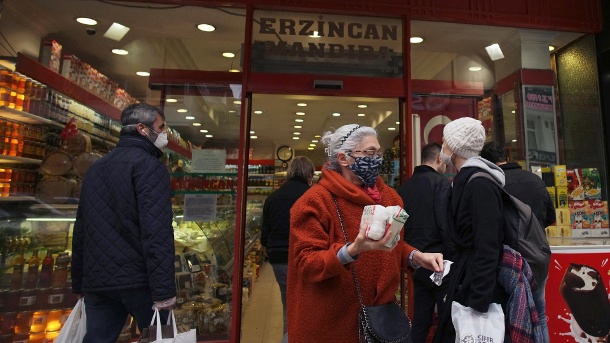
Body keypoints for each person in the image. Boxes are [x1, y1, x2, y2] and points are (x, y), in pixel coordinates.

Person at [286, 124, 444, 343]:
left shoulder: (390, 197)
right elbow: (307, 263)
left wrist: (415, 256)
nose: (377, 159)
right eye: (370, 153)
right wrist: (352, 251)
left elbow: (391, 243)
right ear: (343, 159)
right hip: (332, 325)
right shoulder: (313, 202)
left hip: (382, 322)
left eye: (378, 152)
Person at [72, 103, 177, 343]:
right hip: (139, 281)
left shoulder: (96, 167)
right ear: (142, 129)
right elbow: (156, 233)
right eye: (161, 128)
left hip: (98, 281)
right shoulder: (150, 168)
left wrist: (79, 282)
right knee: (158, 338)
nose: (165, 134)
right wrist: (164, 292)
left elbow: (81, 228)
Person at [432, 117, 515, 343]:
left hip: (476, 286)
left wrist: (479, 302)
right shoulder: (467, 179)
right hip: (466, 278)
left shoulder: (479, 184)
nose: (442, 147)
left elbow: (488, 245)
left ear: (456, 147)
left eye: (445, 142)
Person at [481, 141, 555, 343]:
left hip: (508, 262)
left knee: (506, 319)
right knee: (538, 316)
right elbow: (550, 217)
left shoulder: (492, 183)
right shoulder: (535, 180)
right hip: (537, 258)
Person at [396, 142, 453, 343]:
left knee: (420, 319)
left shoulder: (404, 188)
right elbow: (446, 223)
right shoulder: (441, 184)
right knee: (447, 320)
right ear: (439, 159)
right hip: (441, 261)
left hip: (415, 261)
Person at [261, 156, 315, 341]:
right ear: (309, 174)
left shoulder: (273, 197)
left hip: (279, 259)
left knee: (288, 302)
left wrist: (268, 248)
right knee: (309, 302)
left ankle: (288, 337)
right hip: (306, 257)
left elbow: (265, 233)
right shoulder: (313, 196)